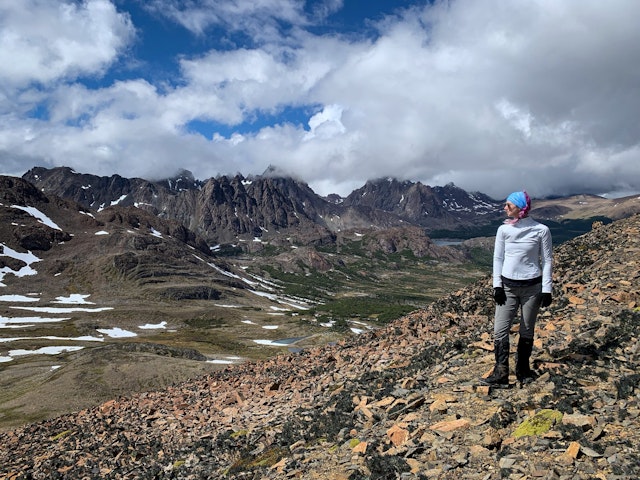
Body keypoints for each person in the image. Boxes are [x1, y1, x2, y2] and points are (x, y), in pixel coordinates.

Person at [480, 190, 553, 388]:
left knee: (527, 330)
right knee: (500, 331)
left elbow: (547, 260)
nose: (504, 208)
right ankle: (501, 372)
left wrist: (547, 288)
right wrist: (497, 286)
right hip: (508, 287)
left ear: (520, 208)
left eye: (508, 205)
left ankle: (523, 371)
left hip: (532, 288)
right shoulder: (503, 230)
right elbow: (498, 258)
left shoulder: (541, 230)